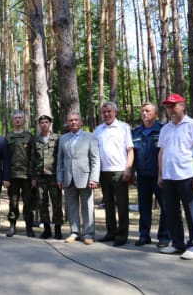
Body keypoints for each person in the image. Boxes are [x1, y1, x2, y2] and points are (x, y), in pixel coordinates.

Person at [158, 93, 193, 260]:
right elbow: (161, 152)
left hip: (187, 176)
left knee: (190, 212)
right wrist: (160, 174)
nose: (170, 109)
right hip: (168, 177)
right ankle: (177, 244)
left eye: (173, 105)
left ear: (183, 105)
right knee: (172, 212)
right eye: (168, 106)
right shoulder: (165, 128)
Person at [57, 112, 100, 245]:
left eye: (76, 120)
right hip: (68, 178)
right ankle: (74, 232)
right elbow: (60, 160)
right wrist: (60, 177)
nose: (73, 122)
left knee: (87, 206)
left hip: (85, 178)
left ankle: (88, 233)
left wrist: (94, 178)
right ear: (68, 123)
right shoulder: (63, 139)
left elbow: (95, 159)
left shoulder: (90, 137)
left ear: (81, 122)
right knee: (71, 206)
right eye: (71, 120)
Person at [95, 102, 134, 246]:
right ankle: (110, 232)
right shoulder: (98, 130)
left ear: (115, 112)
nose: (106, 114)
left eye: (109, 111)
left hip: (119, 171)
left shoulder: (123, 127)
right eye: (104, 112)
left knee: (122, 205)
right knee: (108, 204)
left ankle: (122, 235)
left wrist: (128, 169)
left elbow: (130, 150)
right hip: (103, 171)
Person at [132, 102, 170, 247]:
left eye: (148, 111)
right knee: (144, 208)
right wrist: (133, 172)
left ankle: (164, 237)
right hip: (142, 176)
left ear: (155, 114)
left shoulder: (163, 130)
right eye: (142, 111)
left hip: (160, 176)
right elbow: (132, 153)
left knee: (165, 207)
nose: (144, 113)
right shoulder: (135, 132)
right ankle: (144, 235)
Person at [30, 115, 63, 240]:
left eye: (46, 122)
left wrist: (61, 177)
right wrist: (32, 177)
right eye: (42, 122)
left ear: (50, 124)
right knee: (42, 203)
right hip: (40, 177)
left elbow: (61, 158)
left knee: (57, 203)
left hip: (54, 176)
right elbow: (32, 159)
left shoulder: (57, 139)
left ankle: (58, 229)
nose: (44, 124)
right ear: (39, 125)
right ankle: (47, 229)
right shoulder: (35, 140)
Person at [5, 110, 34, 237]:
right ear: (12, 120)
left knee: (28, 202)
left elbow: (33, 157)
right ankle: (12, 225)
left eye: (19, 118)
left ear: (23, 120)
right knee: (13, 202)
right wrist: (5, 177)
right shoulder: (8, 137)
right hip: (12, 176)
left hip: (27, 176)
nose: (17, 120)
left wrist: (33, 176)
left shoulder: (29, 136)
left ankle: (29, 227)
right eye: (15, 118)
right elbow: (4, 159)